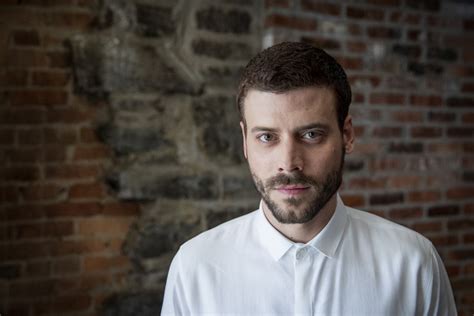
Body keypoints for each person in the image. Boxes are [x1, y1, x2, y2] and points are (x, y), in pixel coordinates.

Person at [161, 42, 457, 315]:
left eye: (311, 134)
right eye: (267, 137)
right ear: (245, 142)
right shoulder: (195, 267)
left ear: (347, 135)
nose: (289, 163)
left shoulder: (413, 264)